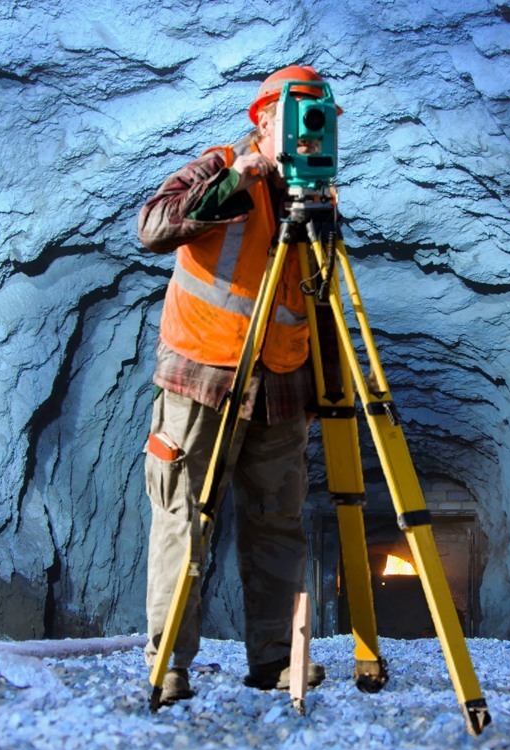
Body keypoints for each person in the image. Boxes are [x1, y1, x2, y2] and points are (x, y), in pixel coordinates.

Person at [136, 65, 331, 703]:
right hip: (202, 380)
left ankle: (276, 660)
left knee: (278, 525)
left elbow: (318, 300)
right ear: (264, 120)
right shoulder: (220, 166)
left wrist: (325, 394)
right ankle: (168, 663)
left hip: (281, 391)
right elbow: (153, 226)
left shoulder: (318, 199)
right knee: (183, 520)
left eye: (318, 123)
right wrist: (233, 183)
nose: (307, 136)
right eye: (297, 120)